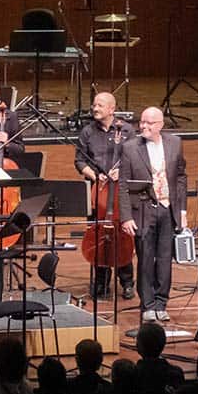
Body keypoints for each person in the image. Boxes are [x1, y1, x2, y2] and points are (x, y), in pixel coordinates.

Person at [118, 107, 187, 323]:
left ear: (160, 125)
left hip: (168, 209)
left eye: (149, 123)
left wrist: (182, 210)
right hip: (144, 210)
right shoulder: (130, 148)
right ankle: (147, 304)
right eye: (142, 122)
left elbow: (181, 177)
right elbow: (123, 185)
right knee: (146, 259)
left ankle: (161, 302)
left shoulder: (175, 143)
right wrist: (126, 217)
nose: (144, 126)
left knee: (165, 259)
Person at [75, 91, 135, 301]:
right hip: (97, 191)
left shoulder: (127, 130)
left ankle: (127, 281)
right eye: (94, 105)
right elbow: (80, 162)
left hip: (120, 190)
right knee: (98, 236)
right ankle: (100, 282)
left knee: (121, 235)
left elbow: (136, 158)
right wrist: (94, 174)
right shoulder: (87, 132)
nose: (95, 109)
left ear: (112, 109)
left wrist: (123, 171)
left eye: (100, 105)